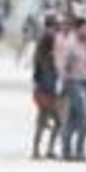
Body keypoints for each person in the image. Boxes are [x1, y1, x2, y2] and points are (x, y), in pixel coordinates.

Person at [55, 18, 86, 161]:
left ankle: (67, 152)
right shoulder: (70, 44)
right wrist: (64, 81)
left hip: (84, 82)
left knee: (73, 118)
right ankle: (78, 151)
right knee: (85, 118)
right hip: (73, 83)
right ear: (78, 29)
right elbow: (61, 64)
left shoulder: (85, 44)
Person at [30, 15, 61, 160]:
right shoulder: (47, 61)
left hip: (42, 89)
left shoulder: (40, 55)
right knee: (53, 121)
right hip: (47, 91)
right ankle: (44, 150)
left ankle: (38, 150)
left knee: (43, 120)